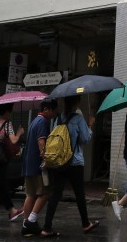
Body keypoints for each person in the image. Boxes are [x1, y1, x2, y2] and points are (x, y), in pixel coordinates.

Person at [41, 95, 100, 236]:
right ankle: (86, 224)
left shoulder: (58, 119)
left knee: (55, 194)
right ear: (77, 102)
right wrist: (90, 125)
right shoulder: (78, 119)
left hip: (59, 161)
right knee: (79, 193)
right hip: (75, 162)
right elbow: (85, 139)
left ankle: (46, 228)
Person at [20, 98, 57, 237]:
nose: (54, 114)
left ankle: (25, 225)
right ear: (46, 109)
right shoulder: (42, 121)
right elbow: (41, 141)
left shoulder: (34, 121)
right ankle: (31, 220)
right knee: (46, 192)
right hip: (37, 164)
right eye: (53, 110)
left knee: (30, 194)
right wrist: (45, 159)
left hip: (28, 163)